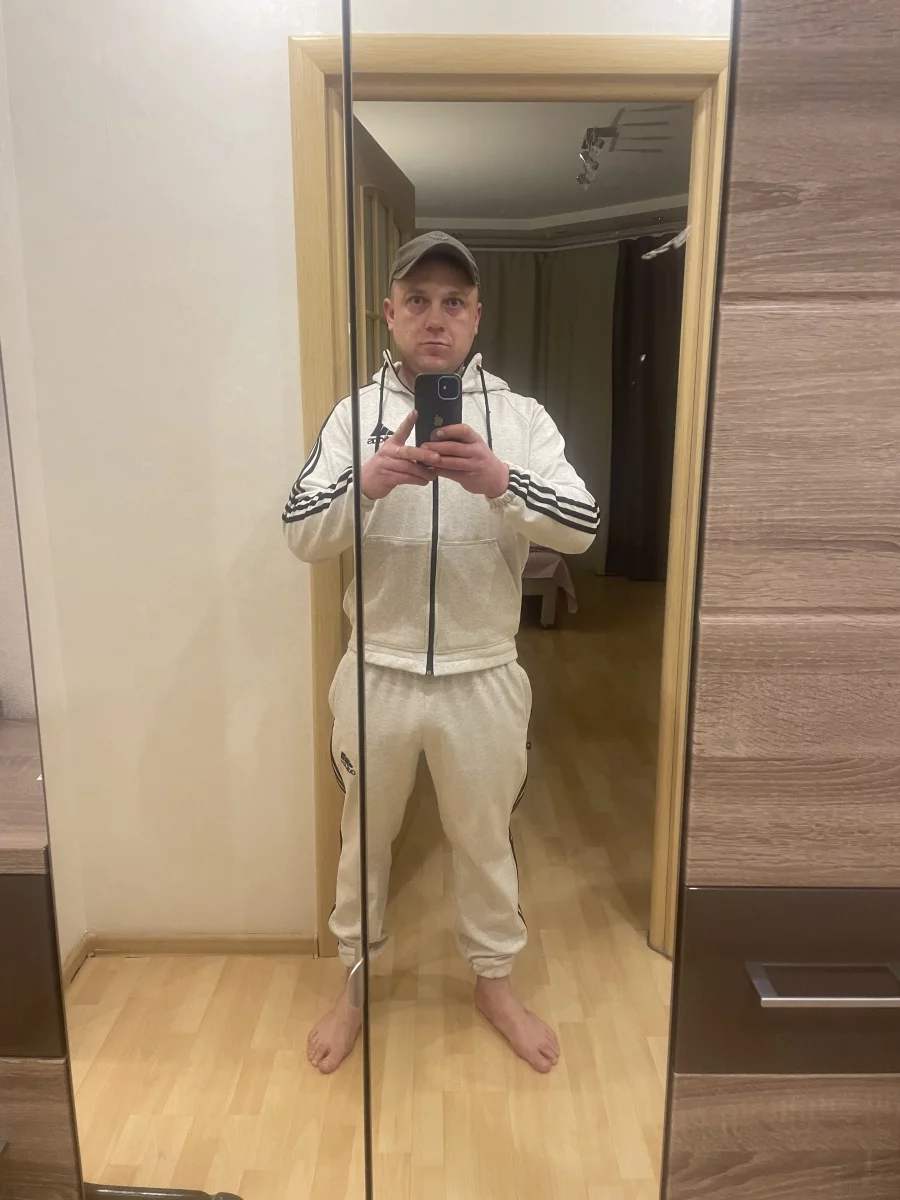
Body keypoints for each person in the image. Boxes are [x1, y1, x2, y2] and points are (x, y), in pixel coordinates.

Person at [283, 231, 598, 1075]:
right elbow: (299, 531)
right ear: (388, 313)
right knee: (364, 841)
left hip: (485, 672)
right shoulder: (353, 418)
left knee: (485, 841)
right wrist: (365, 484)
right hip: (375, 673)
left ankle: (494, 985)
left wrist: (502, 482)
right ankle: (355, 990)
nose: (435, 317)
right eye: (417, 300)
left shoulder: (521, 419)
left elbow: (582, 524)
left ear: (476, 316)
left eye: (453, 301)